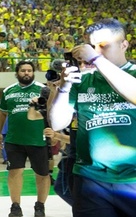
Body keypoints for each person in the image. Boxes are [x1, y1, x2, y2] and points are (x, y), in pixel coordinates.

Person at [49, 18, 136, 217]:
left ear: (124, 45)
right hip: (90, 179)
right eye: (92, 46)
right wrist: (64, 87)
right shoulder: (83, 80)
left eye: (103, 46)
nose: (95, 52)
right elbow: (57, 123)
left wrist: (97, 60)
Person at [0, 60, 49, 217]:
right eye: (23, 70)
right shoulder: (8, 91)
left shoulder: (43, 90)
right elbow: (2, 112)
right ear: (17, 73)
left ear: (33, 73)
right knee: (14, 172)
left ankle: (40, 206)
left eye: (29, 70)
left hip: (38, 139)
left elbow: (51, 111)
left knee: (42, 174)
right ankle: (15, 206)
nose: (26, 73)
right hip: (14, 140)